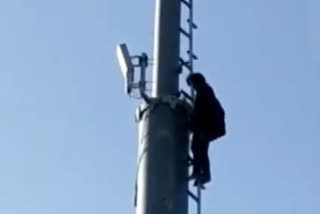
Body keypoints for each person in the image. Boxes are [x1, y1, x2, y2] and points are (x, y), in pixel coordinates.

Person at [187, 73, 226, 187]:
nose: (193, 88)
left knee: (197, 146)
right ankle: (203, 174)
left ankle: (198, 172)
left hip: (209, 125)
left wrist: (191, 125)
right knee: (201, 148)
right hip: (212, 125)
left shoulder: (203, 92)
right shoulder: (206, 91)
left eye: (192, 85)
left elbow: (199, 111)